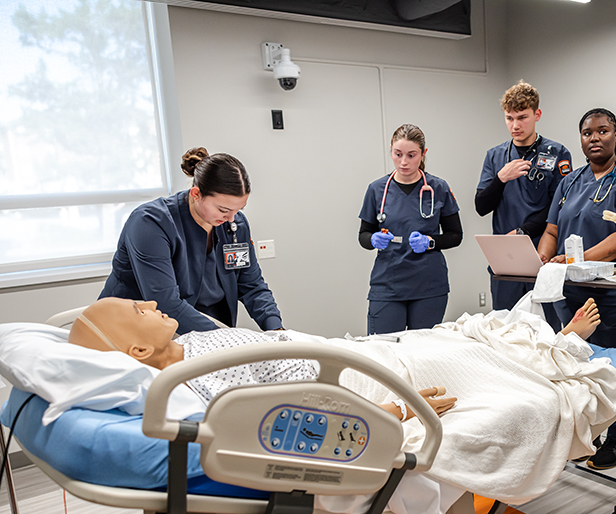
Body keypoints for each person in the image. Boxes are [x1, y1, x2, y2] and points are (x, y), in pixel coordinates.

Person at [68, 297, 457, 422]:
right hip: (347, 379)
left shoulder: (185, 341)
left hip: (324, 348)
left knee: (444, 336)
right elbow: (292, 421)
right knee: (458, 353)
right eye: (140, 311)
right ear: (138, 352)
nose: (152, 303)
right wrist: (397, 410)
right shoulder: (198, 383)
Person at [537, 108, 616, 471]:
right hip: (570, 290)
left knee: (615, 364)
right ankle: (590, 432)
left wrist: (578, 261)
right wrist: (540, 260)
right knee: (580, 361)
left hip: (613, 290)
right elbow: (552, 231)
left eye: (603, 131)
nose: (595, 138)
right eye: (588, 133)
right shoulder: (571, 181)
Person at [100, 148, 282, 336]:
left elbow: (251, 285)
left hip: (205, 335)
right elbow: (166, 303)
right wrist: (229, 339)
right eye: (223, 209)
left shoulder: (235, 225)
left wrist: (276, 329)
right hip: (131, 334)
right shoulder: (150, 223)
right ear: (196, 194)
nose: (231, 218)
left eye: (238, 209)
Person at [475, 81, 572, 329]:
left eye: (522, 117)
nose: (515, 125)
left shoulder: (557, 152)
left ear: (537, 115)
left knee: (546, 327)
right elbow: (481, 206)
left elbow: (558, 206)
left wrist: (523, 232)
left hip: (543, 253)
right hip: (506, 257)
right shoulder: (495, 156)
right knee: (506, 327)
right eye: (509, 118)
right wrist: (501, 178)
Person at [358, 124, 462, 335]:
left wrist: (430, 242)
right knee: (383, 350)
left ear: (423, 154)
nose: (404, 162)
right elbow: (363, 234)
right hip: (388, 284)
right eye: (398, 154)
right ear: (391, 150)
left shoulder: (438, 188)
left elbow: (455, 235)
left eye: (411, 155)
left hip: (428, 286)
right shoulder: (377, 189)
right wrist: (372, 240)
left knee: (422, 352)